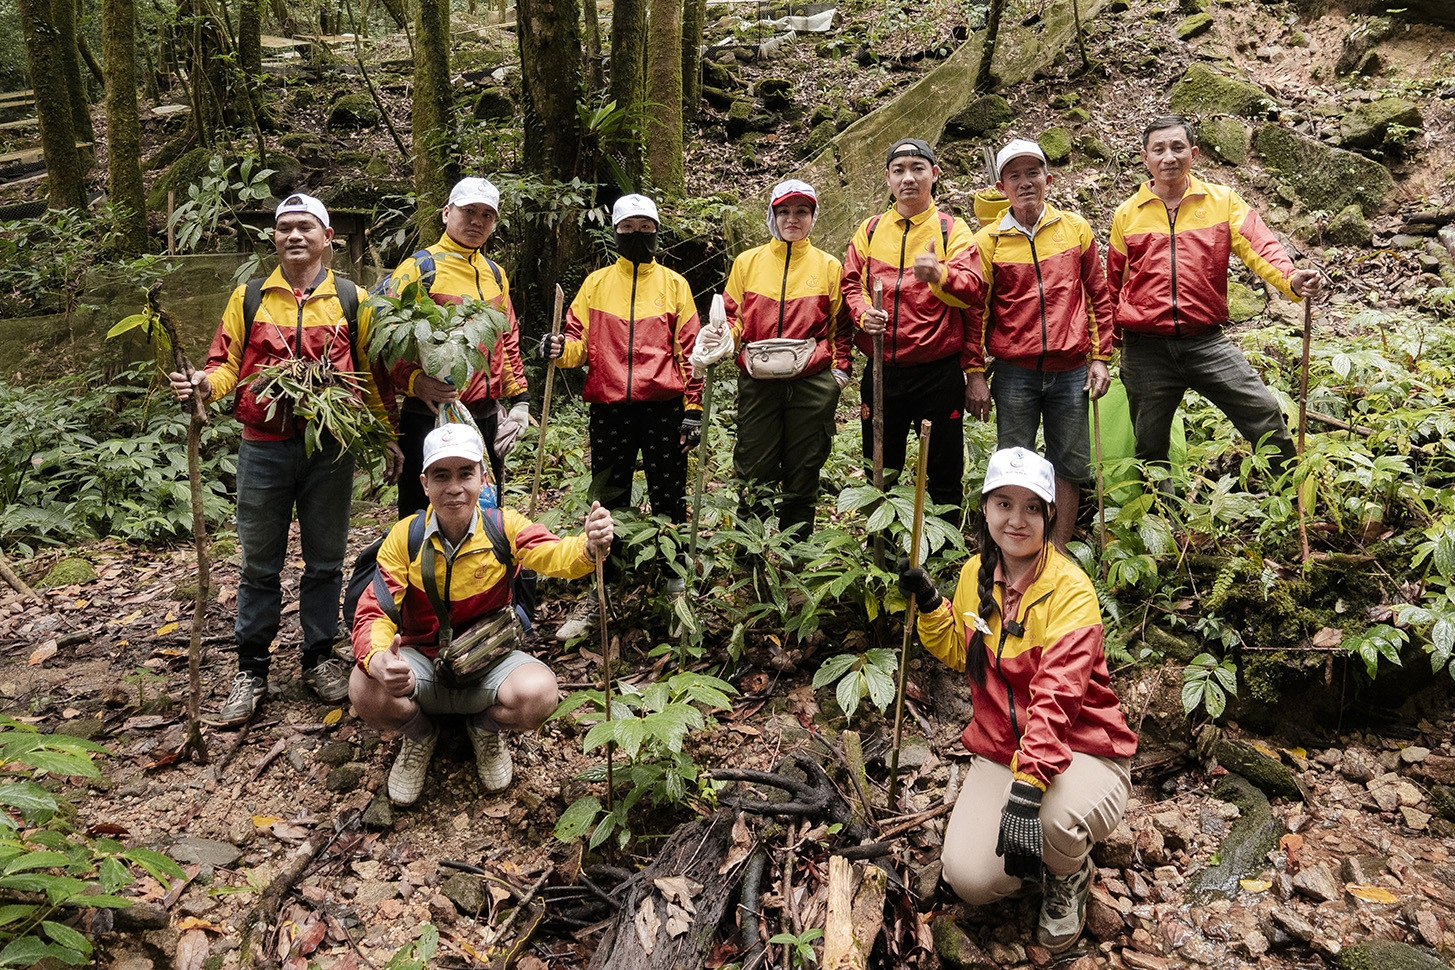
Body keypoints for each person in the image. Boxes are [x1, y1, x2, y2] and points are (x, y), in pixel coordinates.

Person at [169, 193, 403, 725]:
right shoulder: (250, 298)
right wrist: (205, 385)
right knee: (258, 564)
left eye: (305, 228)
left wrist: (386, 433)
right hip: (263, 448)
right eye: (284, 228)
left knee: (325, 561)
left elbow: (371, 377)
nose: (294, 236)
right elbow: (225, 364)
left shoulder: (353, 300)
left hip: (330, 449)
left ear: (327, 239)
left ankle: (318, 658)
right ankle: (251, 668)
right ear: (273, 238)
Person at [897, 447, 1138, 953]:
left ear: (1051, 515)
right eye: (1004, 503)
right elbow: (957, 651)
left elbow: (1058, 698)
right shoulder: (973, 576)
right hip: (1004, 750)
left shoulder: (1070, 589)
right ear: (984, 509)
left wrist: (1027, 791)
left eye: (1033, 507)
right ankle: (1033, 862)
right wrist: (930, 605)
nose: (1017, 519)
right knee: (969, 879)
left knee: (1051, 822)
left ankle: (1069, 871)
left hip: (1083, 749)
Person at [350, 424, 614, 805]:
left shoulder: (503, 527)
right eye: (441, 475)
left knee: (539, 695)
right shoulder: (405, 537)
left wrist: (589, 548)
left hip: (487, 661)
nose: (454, 487)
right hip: (421, 662)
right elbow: (375, 609)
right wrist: (378, 662)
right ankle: (420, 734)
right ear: (424, 484)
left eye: (465, 473)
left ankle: (485, 728)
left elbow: (553, 553)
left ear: (482, 478)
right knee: (363, 688)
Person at [1107, 116, 1322, 480]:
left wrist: (1291, 278)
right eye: (1158, 149)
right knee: (1150, 443)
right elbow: (1113, 285)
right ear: (1145, 158)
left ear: (1193, 153)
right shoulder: (1128, 215)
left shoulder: (1222, 202)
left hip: (1206, 342)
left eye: (1177, 148)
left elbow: (1259, 245)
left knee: (1264, 412)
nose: (1168, 157)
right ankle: (1164, 519)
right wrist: (1106, 347)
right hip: (1145, 349)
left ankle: (1289, 493)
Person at [942, 138, 1114, 549]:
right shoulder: (988, 241)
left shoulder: (1075, 229)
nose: (1025, 183)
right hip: (1014, 372)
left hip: (1072, 370)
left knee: (1069, 464)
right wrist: (975, 373)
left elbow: (1097, 293)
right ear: (1001, 187)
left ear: (1048, 179)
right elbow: (974, 312)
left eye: (1032, 173)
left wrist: (1101, 356)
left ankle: (1055, 553)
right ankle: (1011, 552)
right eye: (1014, 176)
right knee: (1013, 466)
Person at [545, 194, 702, 640]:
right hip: (609, 407)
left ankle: (675, 587)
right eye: (629, 228)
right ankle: (602, 589)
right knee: (607, 498)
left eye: (645, 227)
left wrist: (693, 408)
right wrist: (559, 352)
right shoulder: (595, 284)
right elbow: (577, 346)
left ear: (657, 231)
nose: (638, 235)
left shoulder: (675, 285)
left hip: (663, 407)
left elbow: (690, 353)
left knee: (669, 492)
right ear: (615, 232)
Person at [842, 137, 982, 514]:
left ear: (934, 175)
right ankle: (883, 549)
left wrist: (940, 274)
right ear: (887, 178)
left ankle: (942, 551)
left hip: (938, 372)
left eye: (918, 169)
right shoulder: (870, 230)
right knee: (880, 464)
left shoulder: (953, 229)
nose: (909, 178)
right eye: (899, 170)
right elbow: (850, 283)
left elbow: (973, 291)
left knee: (944, 466)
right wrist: (861, 314)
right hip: (883, 370)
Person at [382, 177, 530, 517]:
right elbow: (385, 337)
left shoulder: (495, 273)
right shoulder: (419, 269)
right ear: (447, 213)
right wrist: (412, 382)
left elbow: (506, 339)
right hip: (430, 416)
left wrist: (519, 399)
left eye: (486, 215)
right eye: (468, 211)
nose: (477, 221)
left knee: (484, 512)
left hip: (485, 414)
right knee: (424, 515)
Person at [719, 179, 852, 537]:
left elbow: (842, 326)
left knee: (804, 467)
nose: (792, 219)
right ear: (772, 215)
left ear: (813, 216)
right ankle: (751, 558)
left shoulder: (828, 266)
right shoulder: (747, 263)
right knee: (753, 466)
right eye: (784, 211)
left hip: (812, 382)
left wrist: (838, 375)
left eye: (802, 211)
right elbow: (733, 317)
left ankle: (795, 554)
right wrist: (724, 340)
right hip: (758, 381)